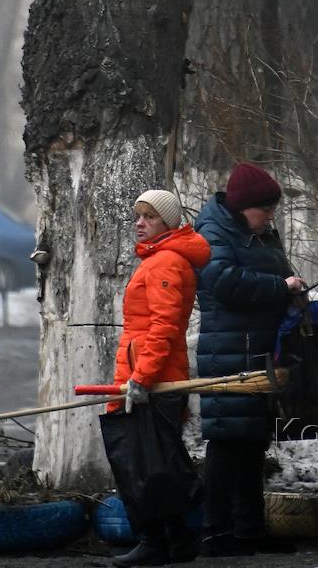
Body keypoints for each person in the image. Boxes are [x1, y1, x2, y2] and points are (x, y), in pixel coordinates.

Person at [194, 162, 307, 557]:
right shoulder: (213, 233)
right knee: (227, 441)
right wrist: (280, 286)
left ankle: (249, 530)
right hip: (228, 351)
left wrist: (293, 292)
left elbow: (275, 276)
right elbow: (223, 282)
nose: (271, 216)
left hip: (258, 350)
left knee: (253, 441)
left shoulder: (259, 234)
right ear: (243, 207)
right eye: (266, 209)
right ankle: (216, 532)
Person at [107, 189, 211, 568]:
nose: (139, 223)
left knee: (145, 465)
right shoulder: (159, 258)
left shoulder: (165, 261)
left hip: (155, 381)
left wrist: (142, 377)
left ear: (167, 222)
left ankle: (154, 542)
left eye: (149, 217)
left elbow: (163, 327)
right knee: (157, 462)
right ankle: (178, 541)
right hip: (149, 376)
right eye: (138, 216)